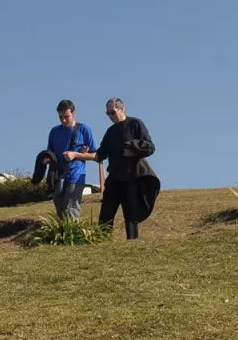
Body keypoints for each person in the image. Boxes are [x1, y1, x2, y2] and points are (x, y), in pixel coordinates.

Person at [64, 98, 159, 239]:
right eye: (108, 114)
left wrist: (134, 148)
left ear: (122, 109)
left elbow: (150, 147)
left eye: (113, 112)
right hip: (115, 177)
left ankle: (132, 245)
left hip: (133, 176)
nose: (110, 116)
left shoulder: (135, 124)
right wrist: (78, 154)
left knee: (131, 214)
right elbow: (99, 155)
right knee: (105, 214)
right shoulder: (111, 131)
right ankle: (102, 242)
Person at [47, 100, 97, 220]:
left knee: (71, 211)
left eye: (66, 117)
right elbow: (50, 153)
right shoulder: (54, 132)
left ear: (74, 113)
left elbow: (95, 155)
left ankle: (72, 238)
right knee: (60, 214)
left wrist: (76, 155)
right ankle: (62, 238)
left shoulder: (84, 130)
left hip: (76, 176)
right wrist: (46, 159)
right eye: (60, 117)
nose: (63, 120)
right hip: (57, 178)